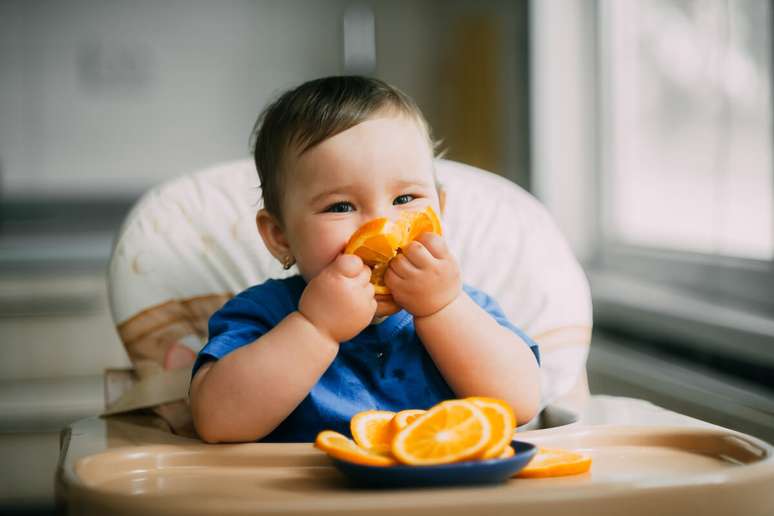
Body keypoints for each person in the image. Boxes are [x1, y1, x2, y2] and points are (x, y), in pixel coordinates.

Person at [189, 76, 541, 443]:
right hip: (308, 496)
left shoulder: (466, 308)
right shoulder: (263, 314)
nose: (381, 226)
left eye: (405, 199)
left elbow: (520, 403)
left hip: (442, 494)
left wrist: (443, 309)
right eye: (340, 207)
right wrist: (315, 328)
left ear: (440, 210)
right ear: (280, 237)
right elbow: (217, 423)